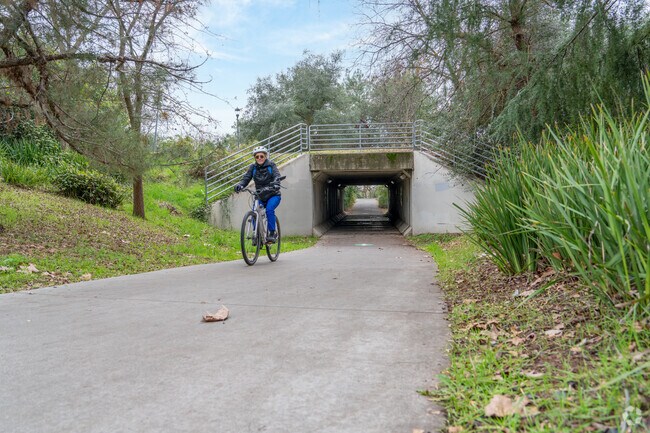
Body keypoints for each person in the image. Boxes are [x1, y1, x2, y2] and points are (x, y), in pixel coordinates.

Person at [234, 146, 282, 242]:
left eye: (261, 156)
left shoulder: (271, 165)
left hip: (273, 195)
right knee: (254, 212)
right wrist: (240, 185)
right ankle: (256, 234)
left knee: (269, 210)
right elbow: (246, 178)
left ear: (265, 156)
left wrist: (276, 183)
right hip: (260, 195)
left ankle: (272, 233)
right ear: (255, 158)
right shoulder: (253, 167)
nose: (259, 158)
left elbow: (277, 175)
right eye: (257, 157)